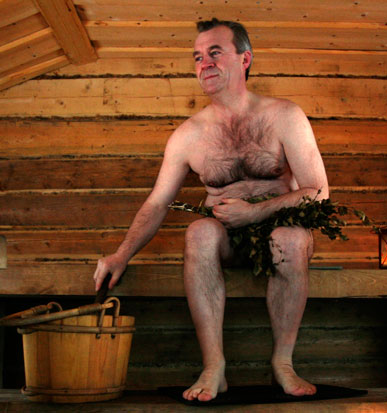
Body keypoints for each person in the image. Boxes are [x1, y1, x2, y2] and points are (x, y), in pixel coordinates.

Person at [93, 18, 329, 402]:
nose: (204, 64)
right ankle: (213, 365)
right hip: (226, 239)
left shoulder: (285, 116)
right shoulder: (189, 135)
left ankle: (283, 363)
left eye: (215, 53)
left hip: (281, 233)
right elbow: (157, 202)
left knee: (289, 238)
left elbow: (318, 193)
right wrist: (122, 254)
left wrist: (255, 213)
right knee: (199, 232)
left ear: (245, 59)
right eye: (198, 57)